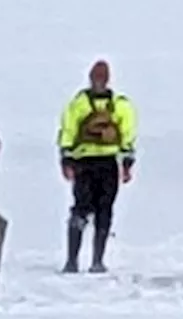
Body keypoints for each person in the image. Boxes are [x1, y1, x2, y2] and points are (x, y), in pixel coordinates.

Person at [56, 59, 138, 273]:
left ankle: (87, 261)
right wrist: (67, 159)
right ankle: (81, 261)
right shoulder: (116, 104)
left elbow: (68, 131)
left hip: (95, 162)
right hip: (93, 163)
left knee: (94, 210)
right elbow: (127, 134)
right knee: (90, 209)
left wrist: (66, 158)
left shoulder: (82, 103)